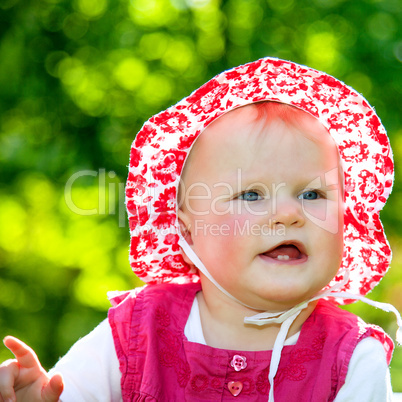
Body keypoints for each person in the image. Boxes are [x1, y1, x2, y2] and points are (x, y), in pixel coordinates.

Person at [0, 57, 401, 401]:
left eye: (313, 195)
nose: (289, 214)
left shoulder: (352, 359)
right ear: (187, 229)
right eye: (250, 194)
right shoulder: (138, 334)